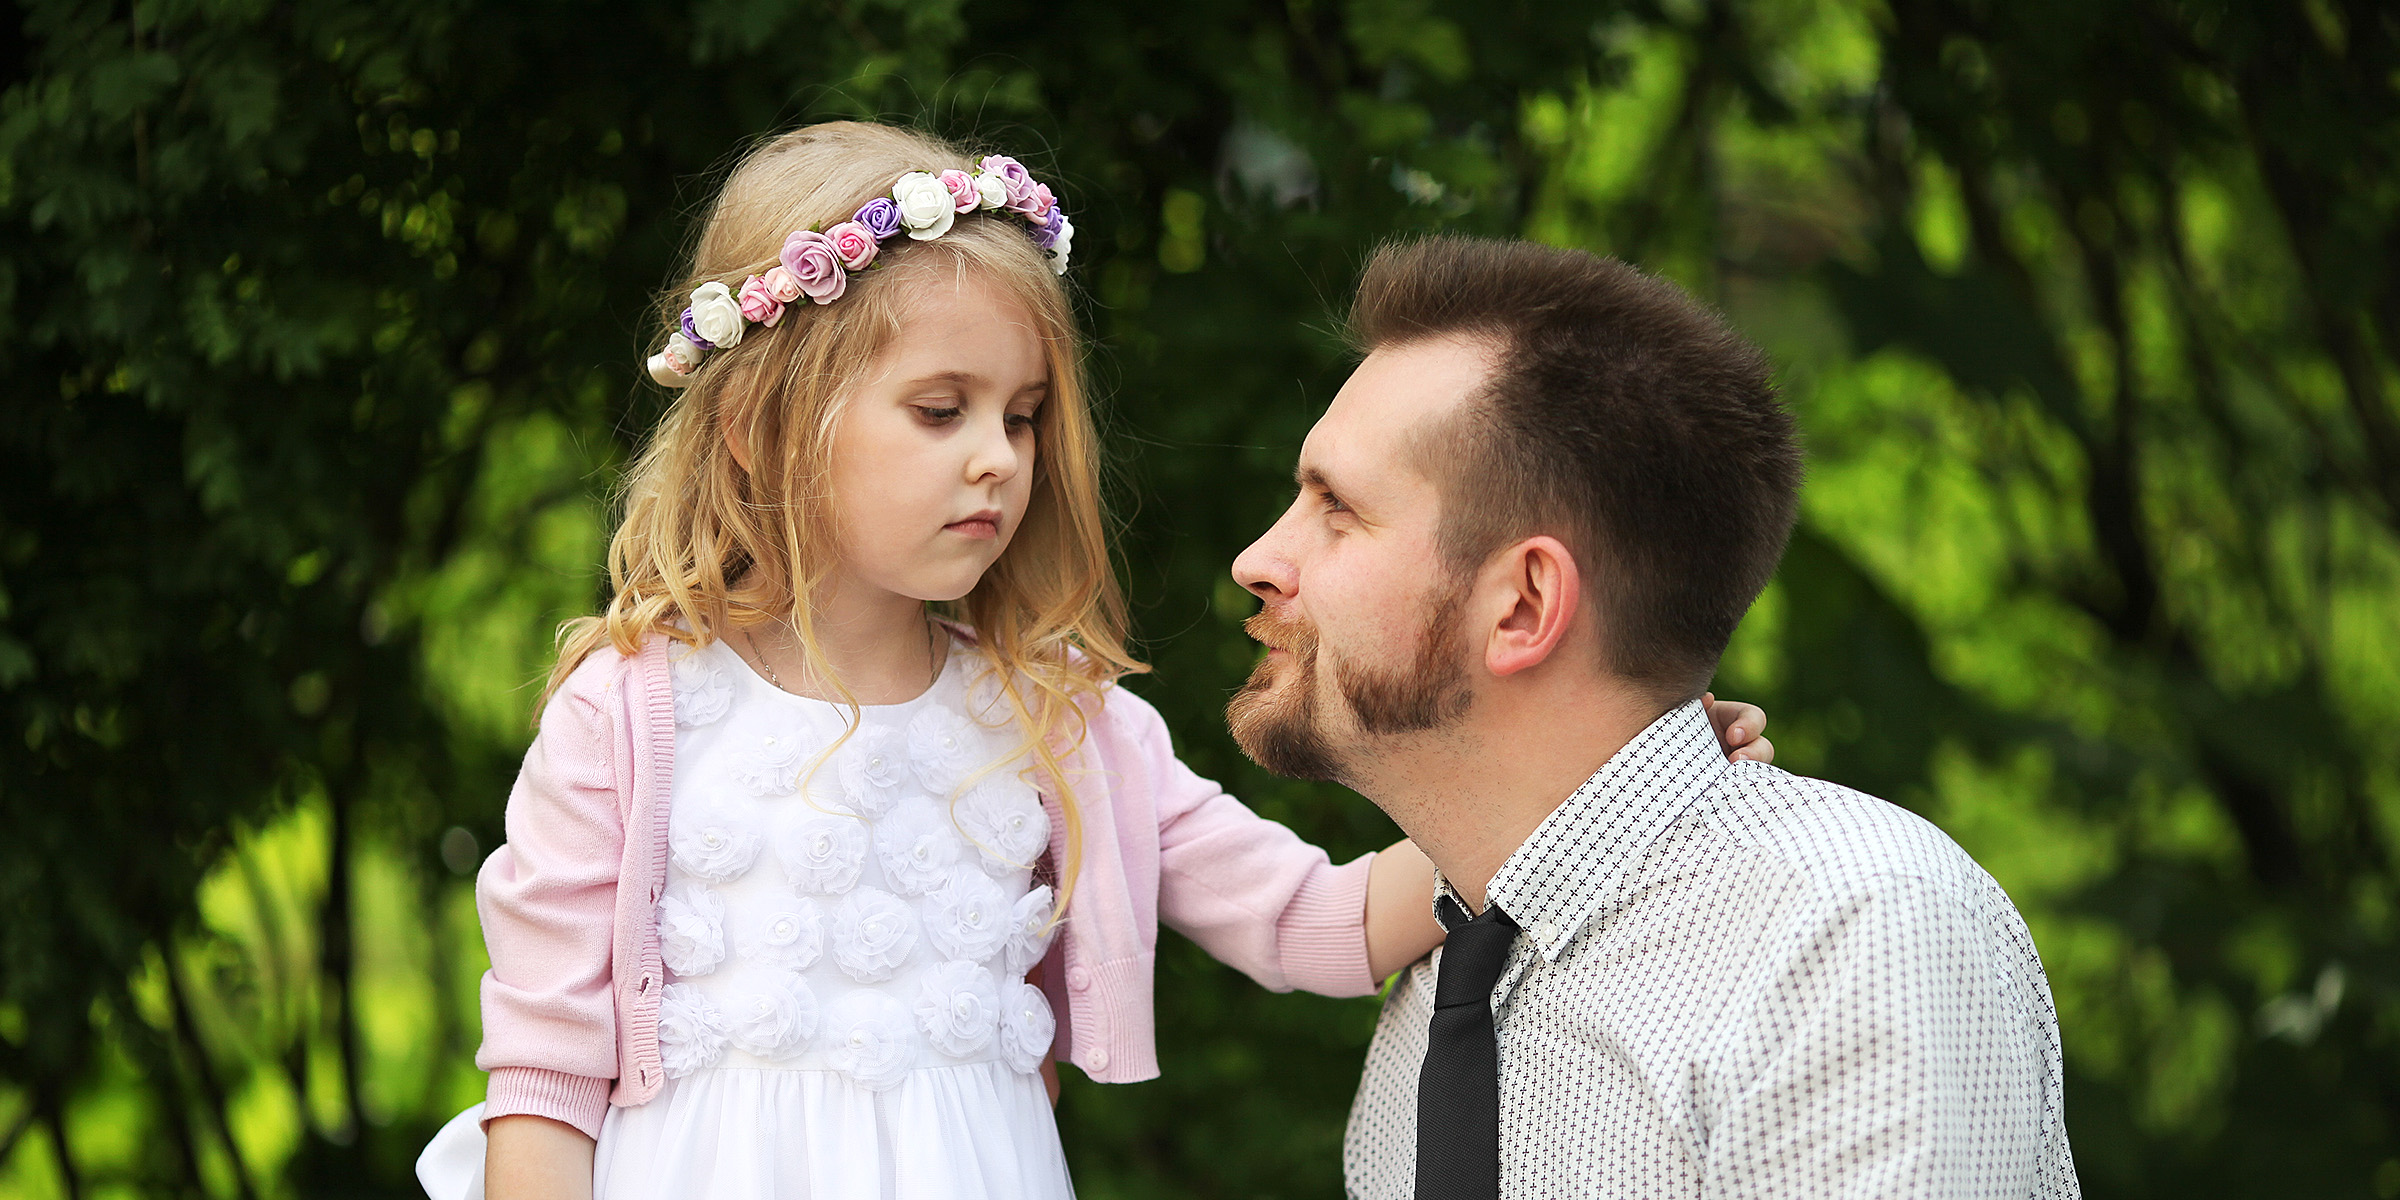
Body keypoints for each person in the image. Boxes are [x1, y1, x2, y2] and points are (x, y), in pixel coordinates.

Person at [413, 125, 1774, 1200]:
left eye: (1020, 416)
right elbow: (543, 1080)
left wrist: (1592, 786)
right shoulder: (635, 713)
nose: (997, 459)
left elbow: (1315, 921)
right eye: (939, 411)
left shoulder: (1055, 719)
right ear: (761, 426)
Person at [1226, 235, 2078, 1199]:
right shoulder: (1427, 1004)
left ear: (1524, 606)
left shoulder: (1848, 935)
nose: (1257, 560)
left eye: (1337, 508)